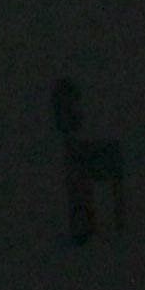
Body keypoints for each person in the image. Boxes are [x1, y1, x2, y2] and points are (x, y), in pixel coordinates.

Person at [52, 76, 129, 245]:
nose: (74, 111)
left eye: (74, 104)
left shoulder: (90, 151)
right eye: (66, 107)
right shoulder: (59, 153)